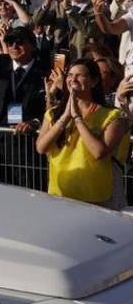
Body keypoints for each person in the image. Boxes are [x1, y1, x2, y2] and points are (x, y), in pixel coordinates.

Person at [35, 58, 130, 207]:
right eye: (70, 75)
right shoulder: (53, 114)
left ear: (93, 82)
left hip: (95, 197)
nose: (73, 79)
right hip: (59, 193)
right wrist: (65, 117)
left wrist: (78, 118)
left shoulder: (112, 116)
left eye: (80, 75)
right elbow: (41, 147)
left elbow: (99, 152)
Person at [35, 0, 117, 61]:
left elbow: (91, 31)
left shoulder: (99, 9)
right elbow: (36, 22)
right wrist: (47, 2)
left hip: (85, 62)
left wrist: (69, 11)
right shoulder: (59, 6)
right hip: (60, 61)